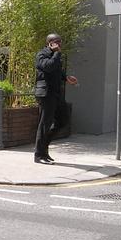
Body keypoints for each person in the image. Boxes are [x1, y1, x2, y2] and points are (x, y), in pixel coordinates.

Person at [34, 33, 78, 164]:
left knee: (63, 121)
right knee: (44, 124)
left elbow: (56, 71)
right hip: (46, 94)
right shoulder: (41, 54)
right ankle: (39, 155)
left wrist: (66, 77)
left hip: (56, 94)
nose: (59, 44)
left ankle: (44, 148)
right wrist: (57, 53)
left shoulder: (55, 55)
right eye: (56, 42)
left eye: (60, 42)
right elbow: (48, 67)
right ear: (49, 43)